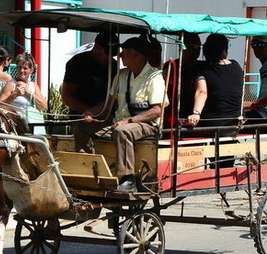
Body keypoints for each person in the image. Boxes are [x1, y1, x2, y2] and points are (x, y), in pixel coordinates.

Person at [77, 37, 168, 192]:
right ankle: (87, 169)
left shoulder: (154, 78)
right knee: (81, 128)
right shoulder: (122, 75)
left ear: (137, 56)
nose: (120, 56)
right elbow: (107, 104)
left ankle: (128, 178)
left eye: (124, 52)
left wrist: (128, 121)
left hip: (147, 126)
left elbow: (156, 111)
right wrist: (91, 112)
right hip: (119, 123)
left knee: (122, 131)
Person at [186, 34, 243, 168]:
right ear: (224, 50)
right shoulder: (236, 66)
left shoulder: (203, 69)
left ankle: (192, 167)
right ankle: (223, 171)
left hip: (211, 124)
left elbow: (202, 91)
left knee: (185, 128)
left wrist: (196, 112)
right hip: (233, 124)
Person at [61, 30, 118, 116]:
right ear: (96, 47)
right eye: (107, 53)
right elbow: (67, 96)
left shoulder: (114, 65)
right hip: (82, 116)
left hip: (107, 115)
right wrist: (91, 112)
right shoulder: (77, 63)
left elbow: (114, 96)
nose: (109, 58)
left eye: (112, 55)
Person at [162, 32, 202, 128]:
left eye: (199, 45)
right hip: (174, 113)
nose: (198, 49)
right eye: (194, 45)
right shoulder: (171, 65)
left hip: (195, 114)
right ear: (183, 47)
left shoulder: (202, 67)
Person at [0, 52, 47, 121]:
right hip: (16, 124)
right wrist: (14, 95)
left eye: (25, 68)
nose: (21, 71)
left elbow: (44, 106)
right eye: (19, 67)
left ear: (31, 70)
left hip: (31, 124)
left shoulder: (34, 85)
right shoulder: (11, 84)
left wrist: (28, 92)